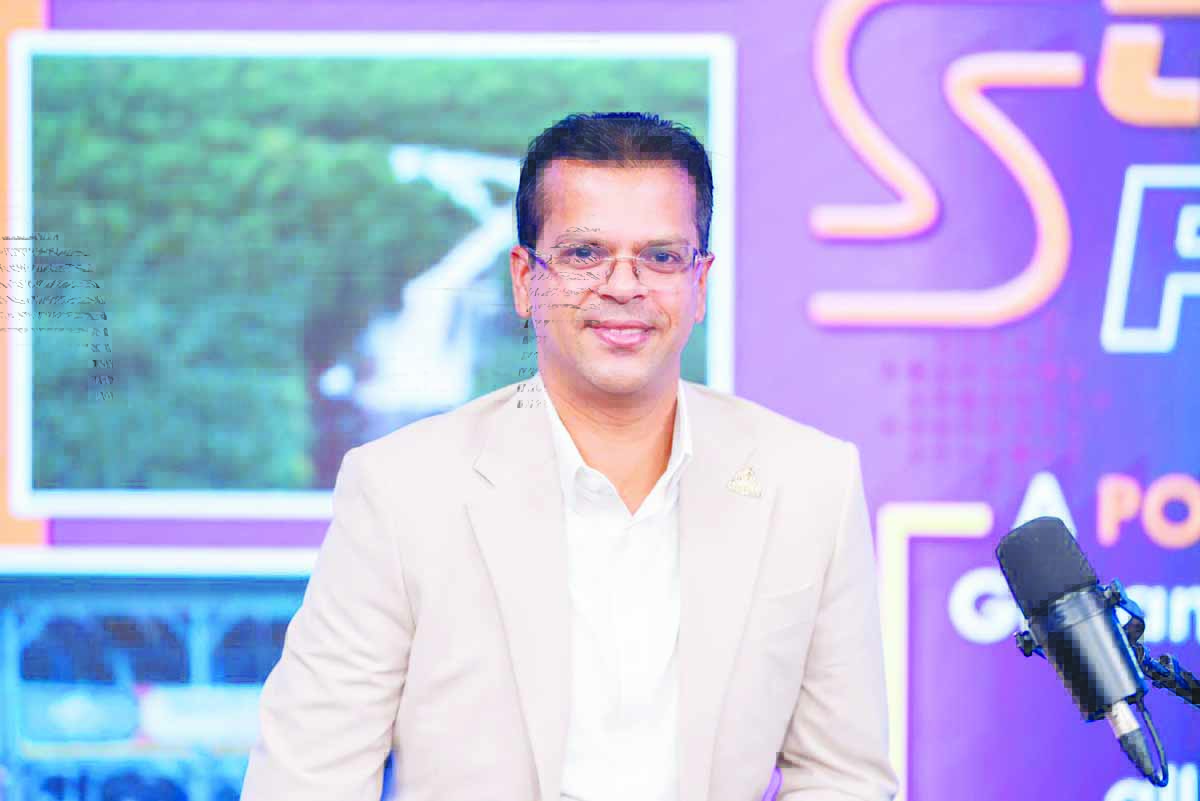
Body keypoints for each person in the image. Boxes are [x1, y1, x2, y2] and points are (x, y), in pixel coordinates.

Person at [240, 111, 899, 801]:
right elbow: (306, 778)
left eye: (661, 257)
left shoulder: (810, 483)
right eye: (586, 254)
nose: (624, 285)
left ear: (700, 283)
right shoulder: (402, 489)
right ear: (525, 279)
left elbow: (842, 776)